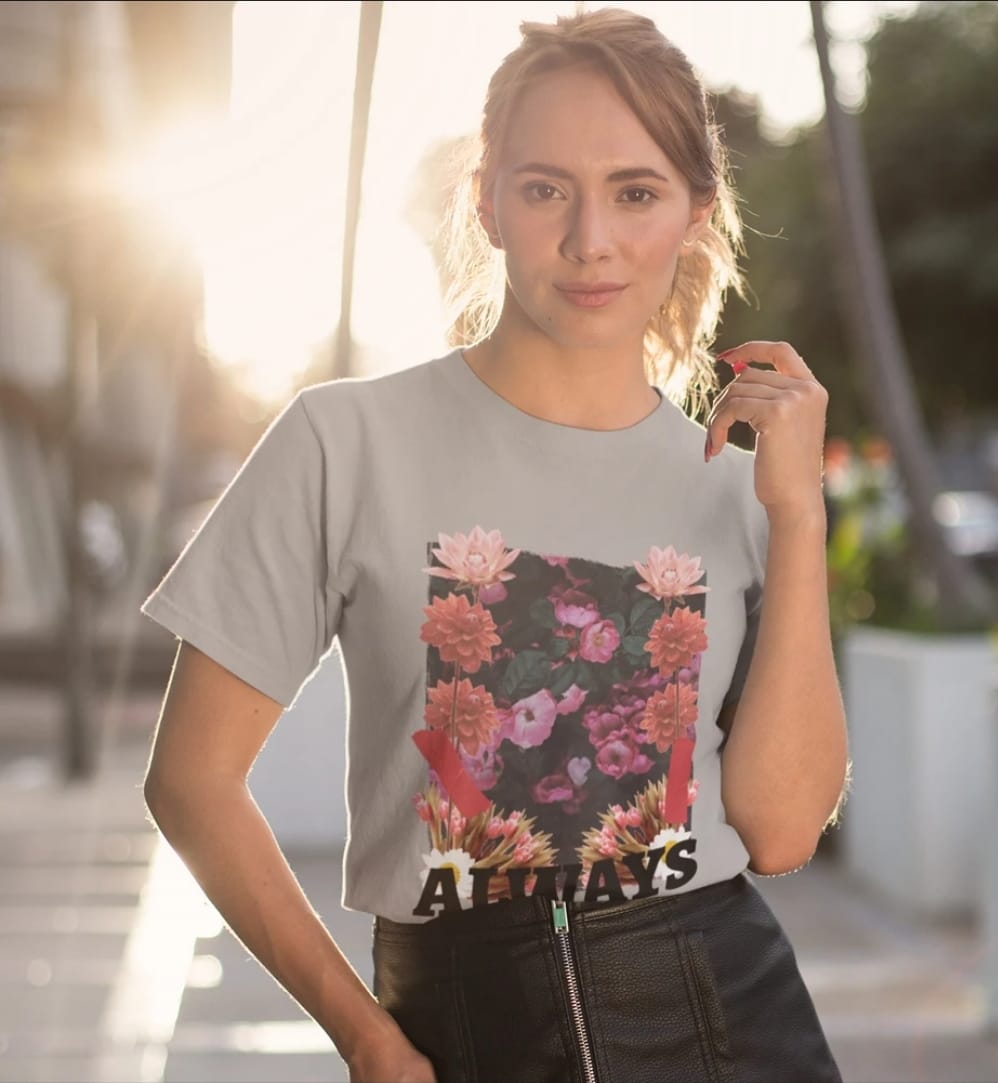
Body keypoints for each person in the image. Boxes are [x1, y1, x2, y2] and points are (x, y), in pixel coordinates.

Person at [141, 8, 849, 1082]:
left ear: (695, 216)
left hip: (725, 1022)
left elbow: (784, 831)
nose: (589, 240)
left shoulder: (743, 491)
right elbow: (190, 780)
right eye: (544, 188)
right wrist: (365, 1037)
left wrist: (798, 520)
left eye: (636, 192)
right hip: (459, 1028)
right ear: (485, 201)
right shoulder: (344, 443)